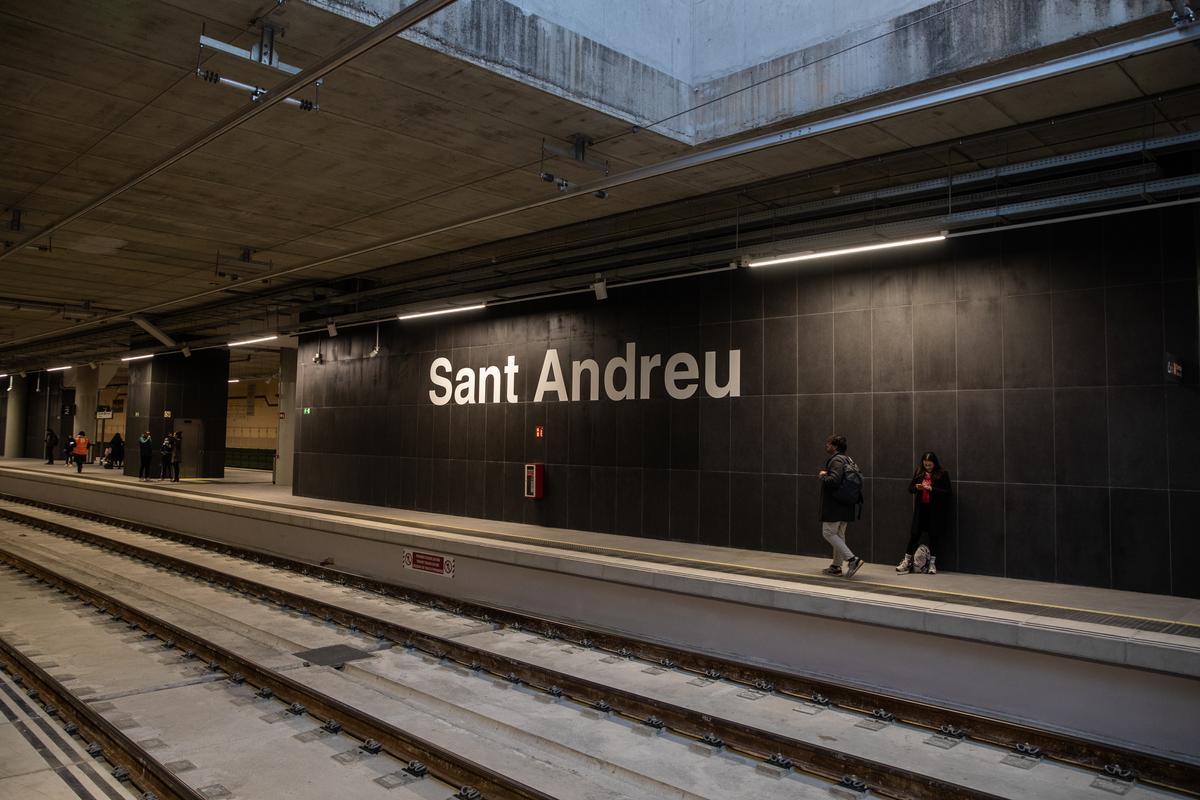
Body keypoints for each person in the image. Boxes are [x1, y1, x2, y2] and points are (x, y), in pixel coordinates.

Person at [896, 451, 952, 575]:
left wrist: (932, 489)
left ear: (934, 464)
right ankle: (906, 561)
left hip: (934, 510)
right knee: (914, 534)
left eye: (930, 465)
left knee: (934, 536)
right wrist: (917, 487)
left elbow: (948, 492)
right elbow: (910, 489)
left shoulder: (942, 474)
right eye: (926, 464)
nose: (928, 467)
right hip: (921, 509)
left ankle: (932, 563)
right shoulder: (919, 472)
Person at [819, 434, 865, 578]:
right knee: (839, 534)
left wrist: (823, 475)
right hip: (847, 504)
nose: (826, 445)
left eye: (829, 443)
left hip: (836, 505)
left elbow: (834, 481)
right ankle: (836, 567)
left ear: (835, 446)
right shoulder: (847, 459)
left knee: (828, 532)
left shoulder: (837, 460)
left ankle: (852, 559)